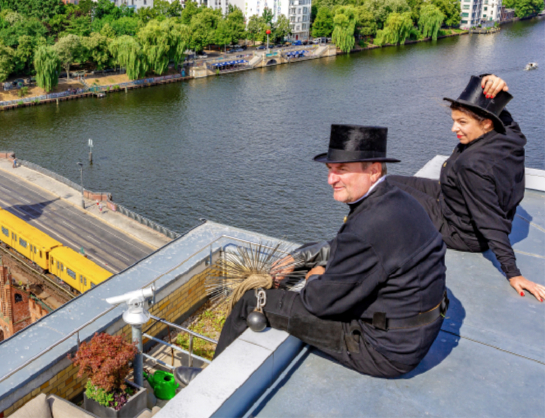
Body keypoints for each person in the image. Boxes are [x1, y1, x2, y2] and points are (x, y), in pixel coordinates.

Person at [187, 125, 447, 381]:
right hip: (415, 331)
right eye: (330, 170)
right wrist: (302, 257)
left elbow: (317, 302)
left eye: (342, 170)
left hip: (382, 349)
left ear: (373, 170)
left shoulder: (366, 226)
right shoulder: (398, 200)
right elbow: (353, 248)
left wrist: (314, 275)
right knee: (312, 252)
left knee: (252, 301)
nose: (331, 180)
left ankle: (210, 380)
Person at [388, 74, 545, 302]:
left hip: (459, 230)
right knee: (387, 181)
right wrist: (492, 84)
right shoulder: (510, 136)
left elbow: (490, 221)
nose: (454, 128)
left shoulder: (472, 166)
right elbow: (504, 116)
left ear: (487, 123)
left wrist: (513, 273)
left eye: (462, 122)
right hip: (454, 196)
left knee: (383, 192)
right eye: (454, 120)